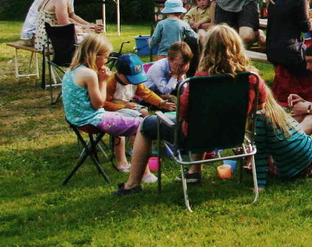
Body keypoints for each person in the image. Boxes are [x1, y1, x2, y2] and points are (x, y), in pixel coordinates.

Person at [113, 25, 265, 195]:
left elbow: (183, 114)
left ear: (208, 49)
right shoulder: (252, 77)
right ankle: (194, 172)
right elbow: (258, 107)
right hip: (233, 136)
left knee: (146, 125)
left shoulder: (198, 82)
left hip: (194, 137)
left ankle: (132, 184)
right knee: (203, 122)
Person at [61, 35, 149, 183]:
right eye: (106, 57)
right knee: (142, 125)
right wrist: (103, 81)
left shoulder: (72, 70)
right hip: (91, 120)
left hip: (75, 118)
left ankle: (125, 162)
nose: (107, 61)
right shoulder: (89, 74)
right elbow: (99, 104)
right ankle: (144, 173)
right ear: (94, 55)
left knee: (129, 117)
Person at [253, 80, 312, 190]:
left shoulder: (259, 118)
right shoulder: (275, 110)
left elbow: (260, 153)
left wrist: (259, 185)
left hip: (297, 169)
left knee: (254, 160)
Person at [104, 53, 174, 171]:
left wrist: (161, 103)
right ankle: (130, 152)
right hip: (113, 110)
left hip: (128, 106)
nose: (133, 81)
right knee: (129, 123)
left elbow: (146, 93)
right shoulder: (111, 83)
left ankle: (146, 146)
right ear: (120, 73)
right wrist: (122, 106)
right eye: (130, 78)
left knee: (145, 113)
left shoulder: (135, 81)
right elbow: (104, 103)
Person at [34, 0, 103, 67]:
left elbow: (69, 19)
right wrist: (85, 30)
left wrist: (87, 27)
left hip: (45, 39)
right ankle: (90, 73)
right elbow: (66, 27)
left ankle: (88, 72)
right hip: (51, 42)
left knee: (91, 38)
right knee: (94, 42)